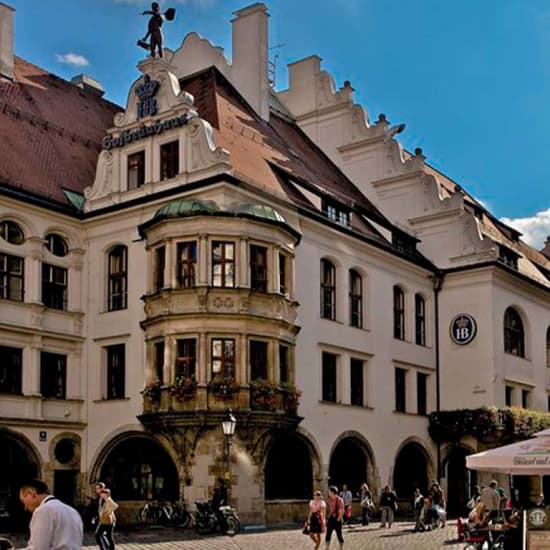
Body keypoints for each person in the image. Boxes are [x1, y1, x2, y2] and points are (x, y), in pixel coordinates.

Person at [19, 479, 83, 550]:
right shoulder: (72, 511)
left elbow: (38, 547)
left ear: (32, 494)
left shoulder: (43, 511)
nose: (25, 507)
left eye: (24, 501)